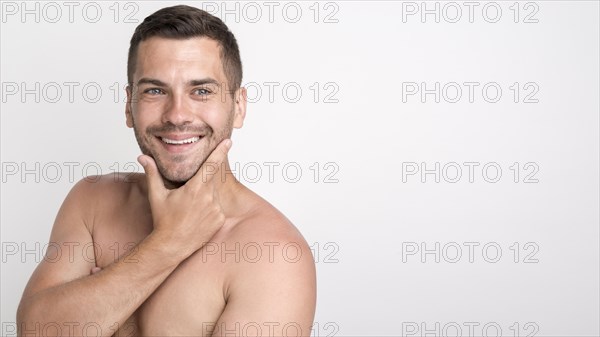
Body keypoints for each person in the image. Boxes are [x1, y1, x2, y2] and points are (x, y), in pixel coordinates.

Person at [16, 5, 316, 336]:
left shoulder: (274, 254)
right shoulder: (92, 201)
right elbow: (34, 331)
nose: (176, 115)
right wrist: (168, 243)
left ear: (239, 106)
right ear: (129, 105)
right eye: (155, 90)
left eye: (201, 91)